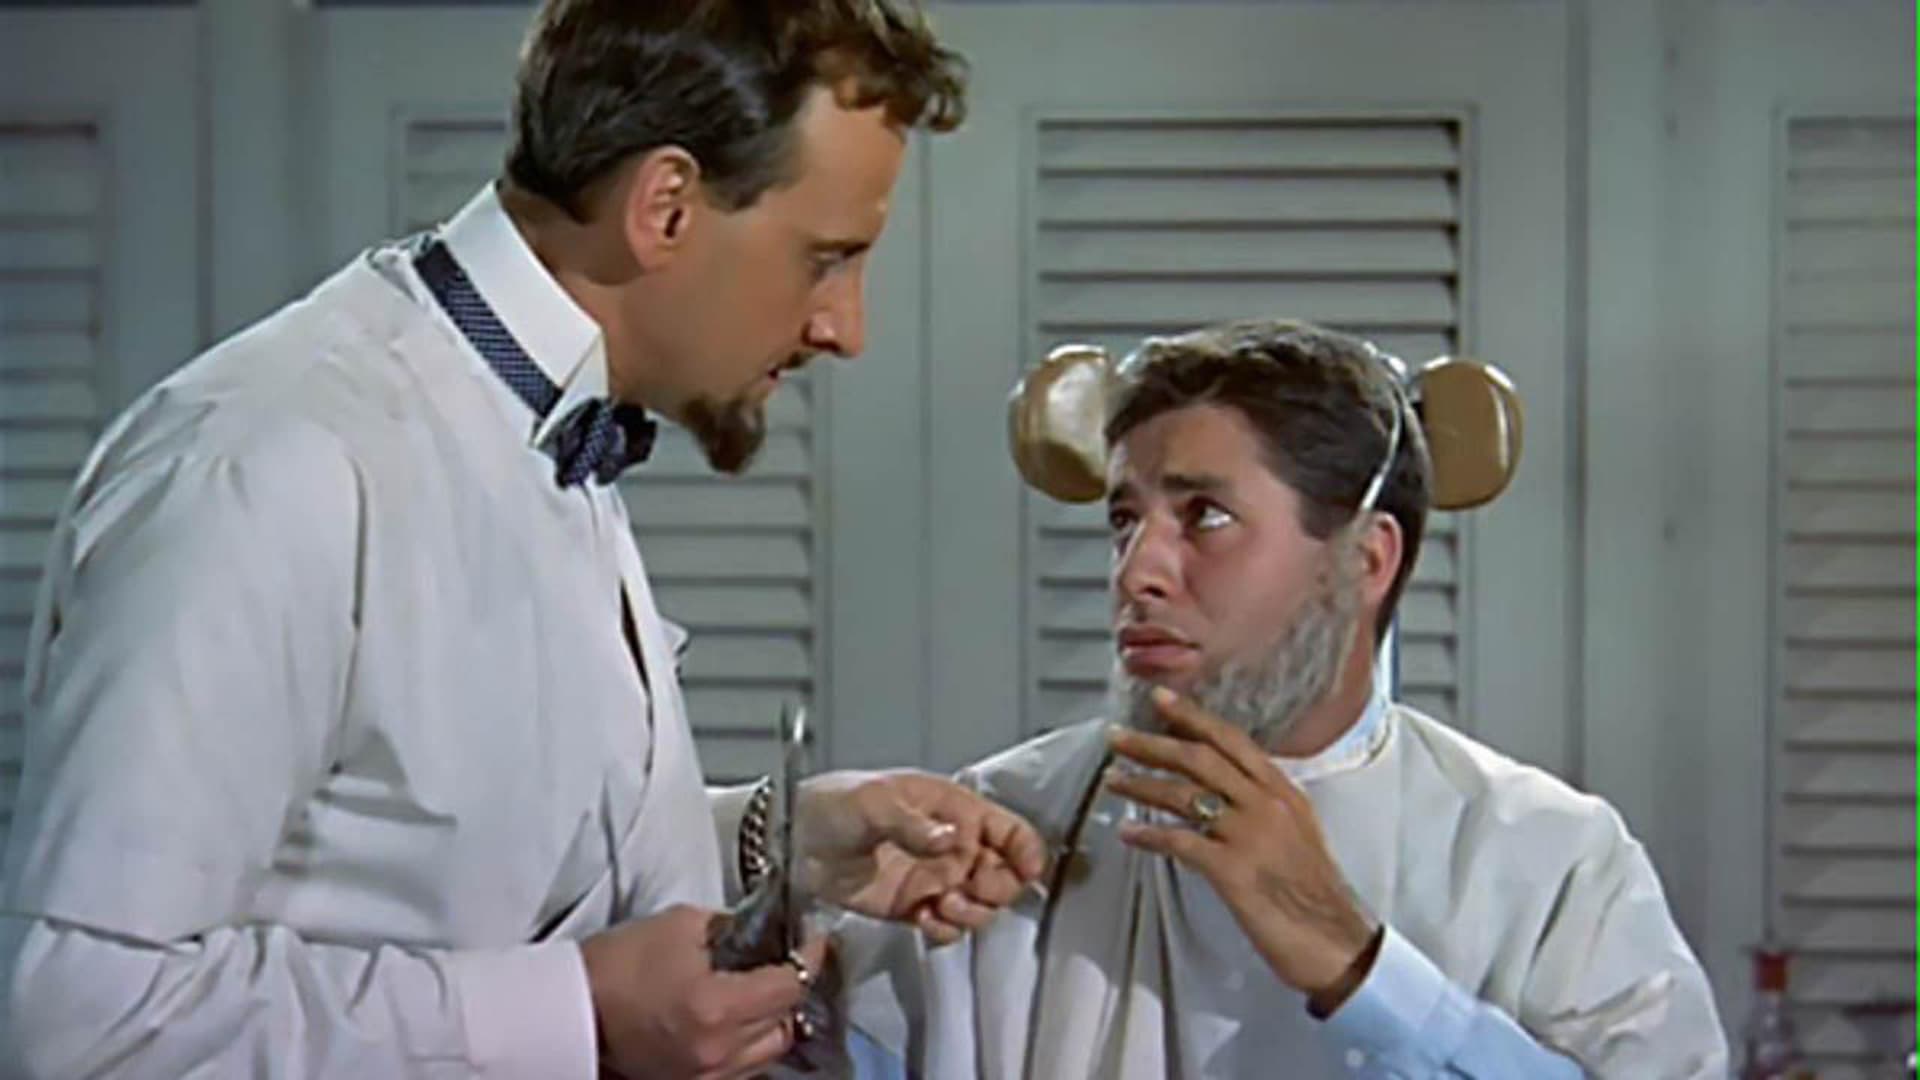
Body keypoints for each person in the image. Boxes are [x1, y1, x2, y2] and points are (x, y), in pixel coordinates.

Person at [0, 3, 1045, 1078]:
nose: (845, 328)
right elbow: (82, 1016)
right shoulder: (272, 462)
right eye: (827, 259)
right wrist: (578, 1009)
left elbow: (450, 858)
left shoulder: (541, 426)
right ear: (666, 208)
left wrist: (773, 843)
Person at [836, 320, 1729, 1078]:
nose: (1136, 574)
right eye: (1124, 521)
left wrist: (1357, 965)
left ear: (1366, 559)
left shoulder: (1552, 864)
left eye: (1205, 516)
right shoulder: (1000, 831)